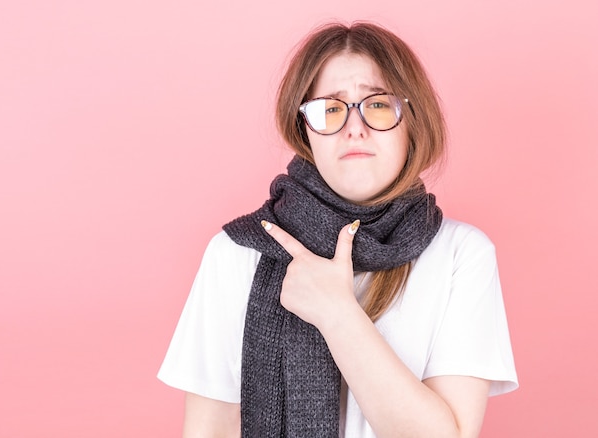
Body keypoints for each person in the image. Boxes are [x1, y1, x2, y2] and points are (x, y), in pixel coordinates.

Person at [158, 21, 518, 437]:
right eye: (330, 109)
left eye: (378, 105)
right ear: (305, 131)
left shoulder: (460, 254)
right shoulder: (238, 252)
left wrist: (336, 313)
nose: (354, 127)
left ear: (413, 120)